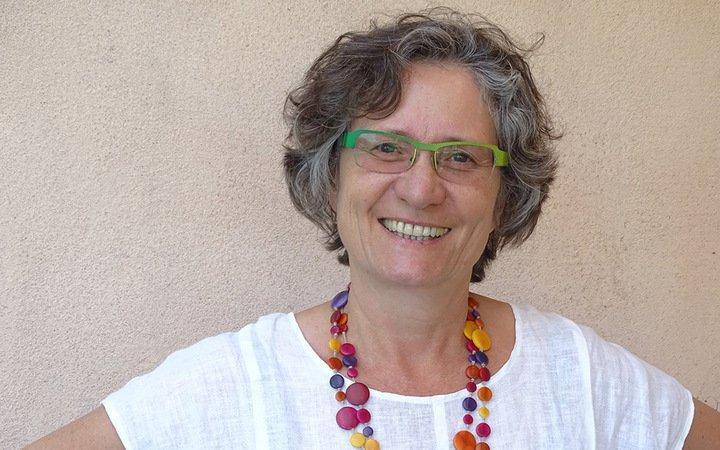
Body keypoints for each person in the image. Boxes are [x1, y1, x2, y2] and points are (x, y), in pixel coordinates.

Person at [28, 8, 719, 450]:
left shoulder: (584, 381)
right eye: (386, 147)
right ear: (330, 173)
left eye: (461, 157)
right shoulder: (233, 387)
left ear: (505, 192)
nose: (421, 188)